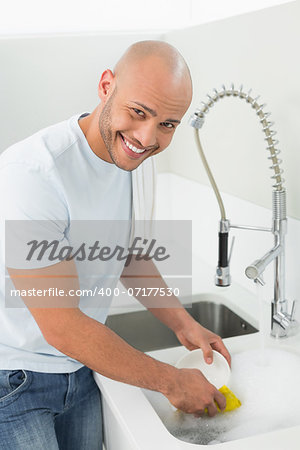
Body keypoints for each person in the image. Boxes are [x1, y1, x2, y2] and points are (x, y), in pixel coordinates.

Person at [0, 40, 231, 450]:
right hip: (15, 381)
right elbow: (62, 327)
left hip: (84, 369)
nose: (147, 137)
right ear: (107, 86)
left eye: (168, 124)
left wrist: (184, 323)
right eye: (138, 112)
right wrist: (171, 380)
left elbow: (125, 252)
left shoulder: (134, 161)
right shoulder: (33, 173)